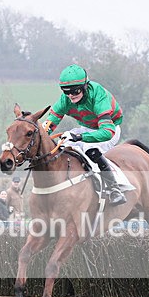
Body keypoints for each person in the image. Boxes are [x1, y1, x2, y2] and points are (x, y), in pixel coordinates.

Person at [42, 64, 127, 205]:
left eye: (75, 91)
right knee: (64, 145)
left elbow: (107, 132)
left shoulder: (98, 95)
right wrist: (40, 138)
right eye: (66, 91)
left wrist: (80, 137)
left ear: (85, 86)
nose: (70, 96)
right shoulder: (66, 99)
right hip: (86, 128)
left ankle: (114, 189)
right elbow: (50, 122)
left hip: (109, 129)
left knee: (89, 148)